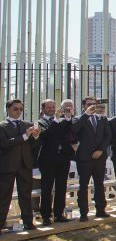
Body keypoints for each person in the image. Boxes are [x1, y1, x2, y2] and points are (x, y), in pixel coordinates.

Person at [0, 99, 40, 231]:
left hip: (24, 164)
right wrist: (24, 136)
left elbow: (32, 146)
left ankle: (28, 222)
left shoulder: (26, 125)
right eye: (15, 109)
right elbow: (5, 144)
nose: (18, 111)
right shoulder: (2, 126)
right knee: (4, 196)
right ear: (8, 109)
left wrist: (35, 137)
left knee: (25, 194)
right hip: (8, 165)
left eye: (20, 109)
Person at [71, 97, 112, 220]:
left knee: (99, 183)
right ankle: (83, 212)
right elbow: (74, 130)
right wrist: (86, 114)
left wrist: (101, 150)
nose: (93, 106)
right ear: (84, 106)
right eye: (89, 104)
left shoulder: (102, 119)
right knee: (83, 185)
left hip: (99, 157)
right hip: (84, 157)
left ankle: (100, 209)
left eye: (94, 104)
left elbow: (108, 136)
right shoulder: (78, 119)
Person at [37, 99, 75, 224]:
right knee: (47, 189)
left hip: (63, 157)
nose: (52, 109)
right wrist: (56, 120)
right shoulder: (40, 122)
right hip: (48, 160)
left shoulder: (60, 120)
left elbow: (69, 131)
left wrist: (68, 118)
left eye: (53, 107)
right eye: (49, 107)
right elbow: (45, 136)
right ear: (43, 109)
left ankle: (59, 214)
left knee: (61, 187)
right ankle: (46, 216)